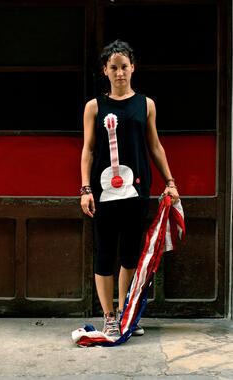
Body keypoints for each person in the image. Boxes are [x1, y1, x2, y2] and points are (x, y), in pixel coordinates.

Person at [80, 39, 179, 342]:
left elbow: (155, 146)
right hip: (103, 192)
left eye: (124, 66)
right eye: (114, 67)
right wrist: (85, 188)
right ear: (105, 71)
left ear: (133, 68)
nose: (120, 72)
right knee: (105, 253)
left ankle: (126, 313)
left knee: (130, 256)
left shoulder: (146, 104)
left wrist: (170, 182)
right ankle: (109, 317)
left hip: (137, 191)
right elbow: (87, 149)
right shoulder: (94, 107)